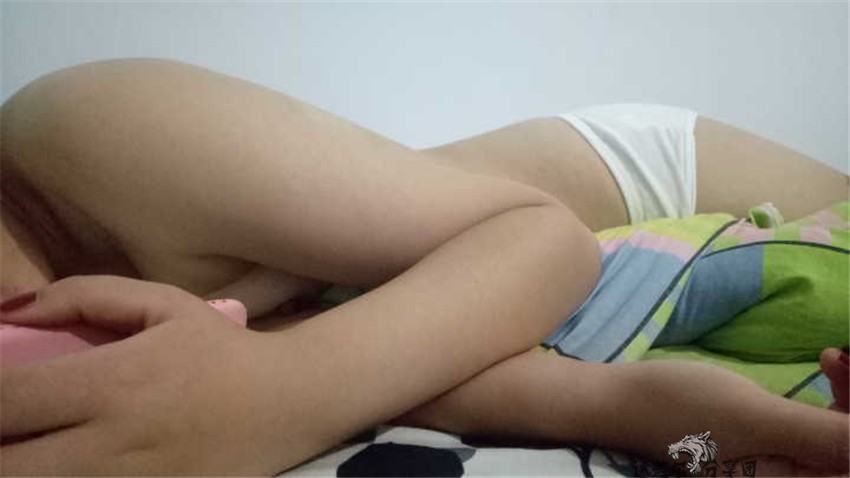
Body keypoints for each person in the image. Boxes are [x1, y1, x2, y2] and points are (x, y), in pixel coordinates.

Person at [0, 58, 846, 476]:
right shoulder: (111, 387)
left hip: (645, 183)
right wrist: (714, 448)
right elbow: (621, 410)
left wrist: (273, 394)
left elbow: (541, 239)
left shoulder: (78, 134)